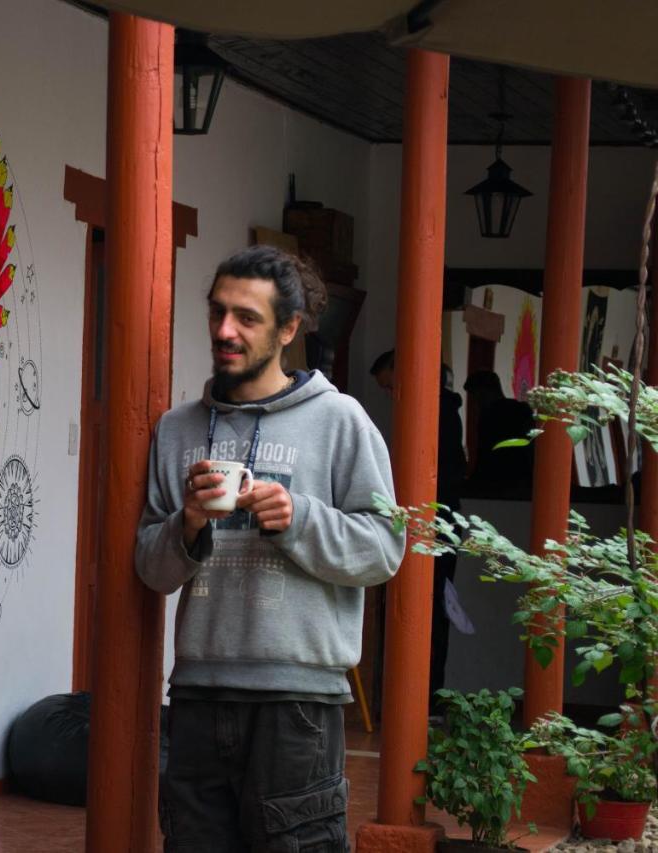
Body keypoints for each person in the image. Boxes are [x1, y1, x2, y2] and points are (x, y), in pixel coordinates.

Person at [137, 245, 405, 851]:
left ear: (289, 329)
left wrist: (299, 518)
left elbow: (385, 548)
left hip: (299, 704)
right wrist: (188, 526)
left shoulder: (341, 421)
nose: (225, 331)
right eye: (217, 312)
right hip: (197, 697)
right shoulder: (176, 429)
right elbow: (150, 569)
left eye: (246, 318)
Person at [370, 351, 465, 709]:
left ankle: (425, 698)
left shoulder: (436, 415)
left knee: (430, 609)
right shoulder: (440, 412)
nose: (390, 393)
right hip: (435, 521)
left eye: (390, 385)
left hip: (436, 525)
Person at [463, 369, 536, 495]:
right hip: (523, 479)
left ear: (483, 392)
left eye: (476, 396)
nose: (476, 403)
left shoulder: (489, 416)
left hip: (496, 481)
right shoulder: (521, 411)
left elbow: (485, 453)